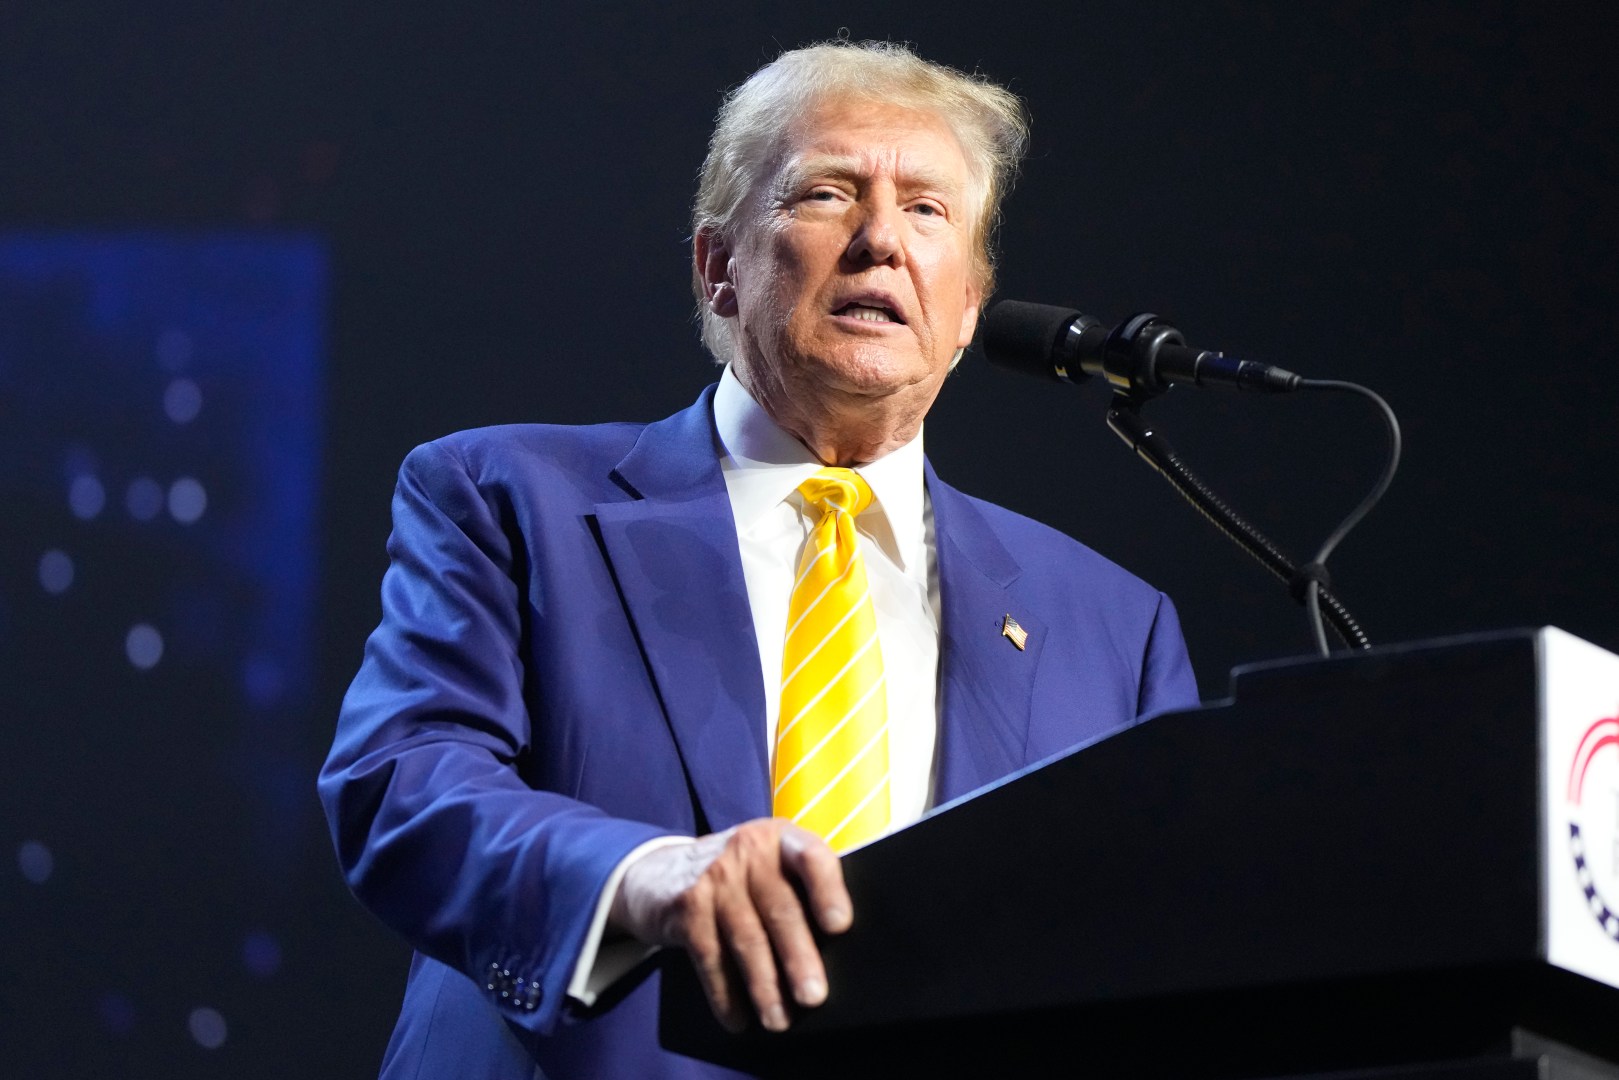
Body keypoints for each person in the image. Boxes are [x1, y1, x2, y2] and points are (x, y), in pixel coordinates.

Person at [319, 39, 1198, 1080]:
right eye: (827, 194)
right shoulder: (507, 500)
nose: (880, 242)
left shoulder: (1112, 625)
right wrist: (648, 878)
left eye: (927, 211)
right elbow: (405, 784)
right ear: (717, 266)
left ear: (967, 306)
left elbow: (1159, 954)